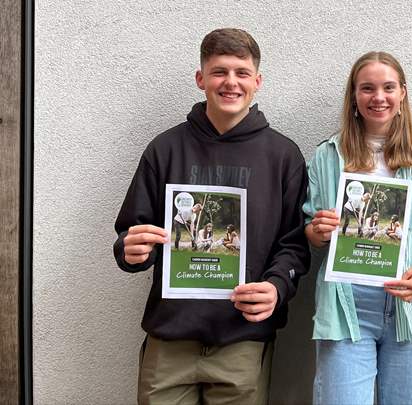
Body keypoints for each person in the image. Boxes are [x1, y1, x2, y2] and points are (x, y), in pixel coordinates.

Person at [113, 28, 309, 404]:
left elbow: (294, 244)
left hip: (242, 338)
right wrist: (130, 249)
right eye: (219, 71)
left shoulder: (283, 156)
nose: (230, 82)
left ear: (257, 81)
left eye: (241, 72)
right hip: (170, 337)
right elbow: (132, 233)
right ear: (201, 79)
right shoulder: (165, 148)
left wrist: (277, 287)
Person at [303, 51, 412, 405]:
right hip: (345, 308)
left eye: (388, 87)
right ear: (354, 96)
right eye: (368, 88)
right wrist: (318, 230)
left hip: (409, 306)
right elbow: (309, 229)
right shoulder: (328, 154)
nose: (379, 97)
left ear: (402, 93)